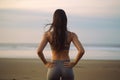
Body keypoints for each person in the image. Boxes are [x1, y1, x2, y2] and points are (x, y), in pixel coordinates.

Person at [37, 9, 85, 80]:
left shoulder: (48, 35)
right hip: (67, 66)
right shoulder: (71, 35)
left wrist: (46, 63)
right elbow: (81, 51)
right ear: (65, 20)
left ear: (54, 20)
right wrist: (74, 63)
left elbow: (39, 51)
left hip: (54, 66)